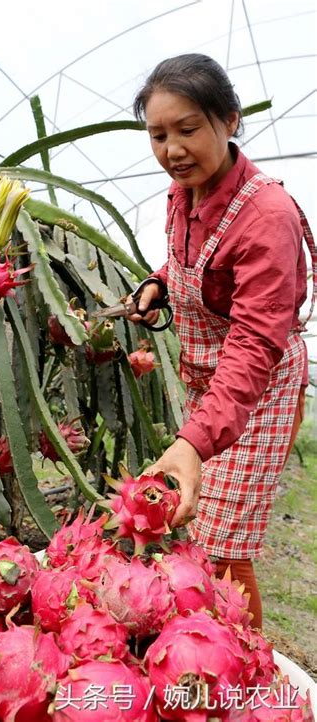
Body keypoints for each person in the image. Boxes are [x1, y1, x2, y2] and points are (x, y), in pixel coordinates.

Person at [126, 53, 316, 629]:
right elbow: (192, 259)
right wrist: (159, 282)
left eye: (187, 129)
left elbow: (255, 345)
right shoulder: (184, 192)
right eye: (158, 135)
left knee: (225, 543)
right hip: (211, 392)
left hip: (253, 394)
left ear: (230, 120)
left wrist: (192, 443)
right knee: (204, 533)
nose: (172, 150)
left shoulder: (267, 217)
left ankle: (248, 675)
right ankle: (212, 650)